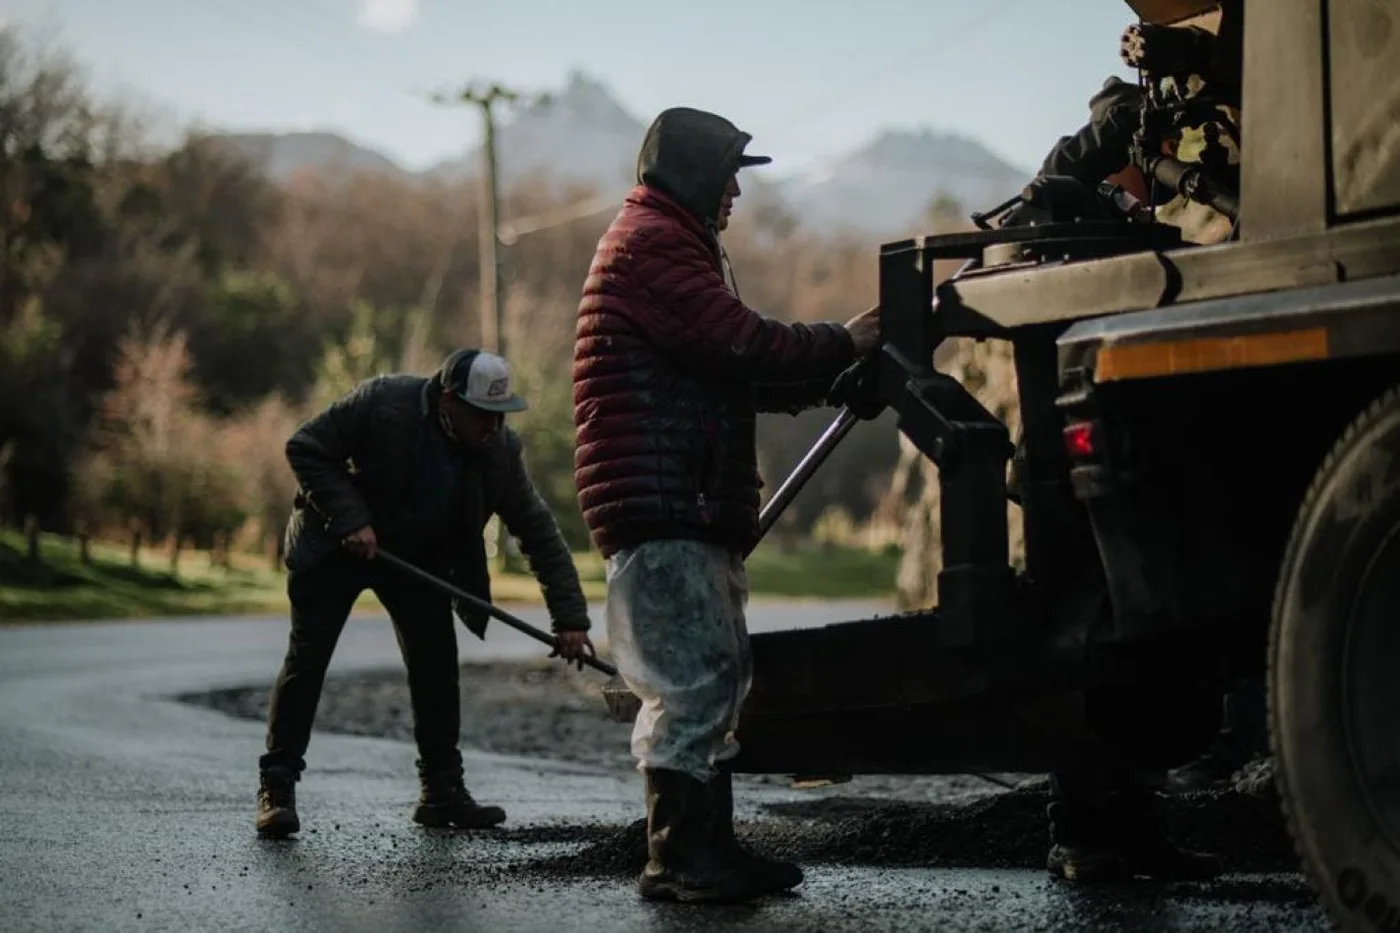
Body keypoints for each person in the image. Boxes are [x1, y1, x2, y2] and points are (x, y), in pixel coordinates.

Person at [573, 106, 881, 903]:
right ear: (695, 175)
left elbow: (729, 368)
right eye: (731, 177)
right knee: (692, 682)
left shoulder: (669, 242)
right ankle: (678, 859)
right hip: (666, 499)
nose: (737, 195)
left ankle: (703, 852)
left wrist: (828, 379)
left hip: (680, 495)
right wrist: (846, 343)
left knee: (712, 677)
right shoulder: (654, 245)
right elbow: (741, 344)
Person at [255, 348, 596, 838]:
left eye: (500, 416)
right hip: (335, 543)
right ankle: (278, 783)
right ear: (447, 398)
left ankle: (441, 791)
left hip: (415, 561)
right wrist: (353, 519)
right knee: (308, 658)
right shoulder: (383, 403)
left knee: (436, 664)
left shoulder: (499, 452)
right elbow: (306, 447)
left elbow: (537, 531)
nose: (491, 427)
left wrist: (570, 619)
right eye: (482, 414)